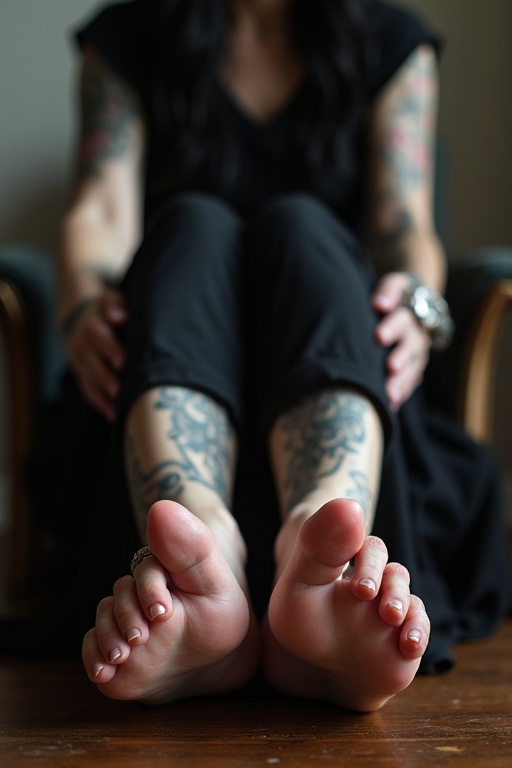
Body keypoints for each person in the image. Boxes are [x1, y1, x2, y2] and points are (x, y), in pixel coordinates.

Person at [15, 0, 511, 710]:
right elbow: (100, 210)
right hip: (163, 380)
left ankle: (320, 547)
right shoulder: (130, 34)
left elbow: (406, 226)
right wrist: (83, 306)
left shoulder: (390, 41)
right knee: (193, 223)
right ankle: (199, 556)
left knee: (303, 226)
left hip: (332, 369)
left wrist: (416, 303)